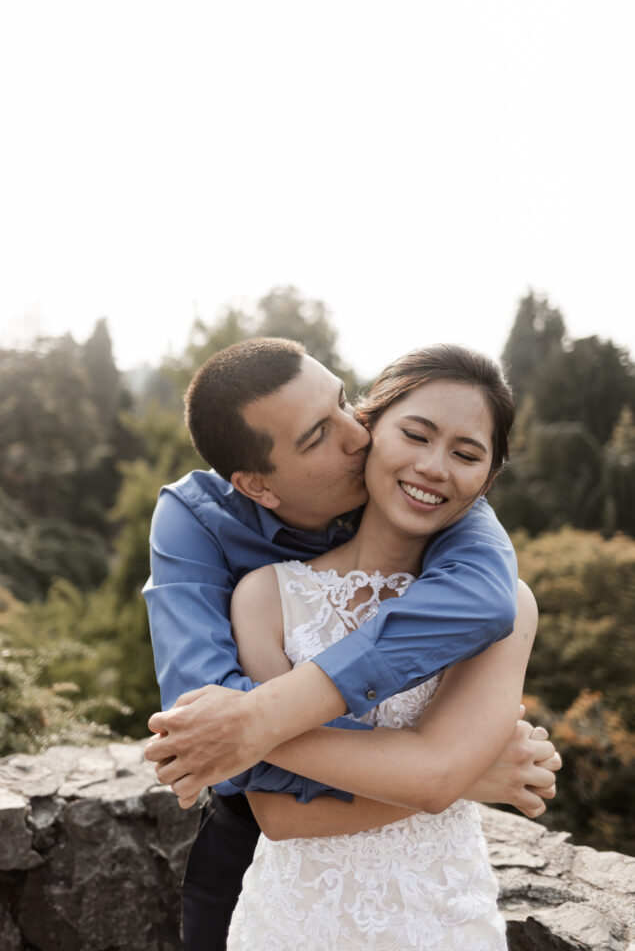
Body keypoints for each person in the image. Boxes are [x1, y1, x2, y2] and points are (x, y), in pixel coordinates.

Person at [143, 338, 560, 949]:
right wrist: (455, 772)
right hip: (262, 865)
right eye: (318, 436)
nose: (356, 433)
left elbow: (491, 605)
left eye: (347, 404)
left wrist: (261, 720)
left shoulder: (470, 545)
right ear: (258, 485)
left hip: (436, 911)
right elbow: (205, 726)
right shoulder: (214, 541)